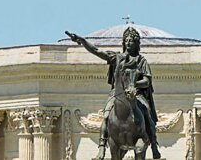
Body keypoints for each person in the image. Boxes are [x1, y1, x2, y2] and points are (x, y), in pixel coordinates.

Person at [66, 27, 161, 159]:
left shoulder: (141, 61)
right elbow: (97, 51)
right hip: (117, 94)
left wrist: (134, 85)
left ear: (136, 43)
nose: (128, 43)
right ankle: (102, 146)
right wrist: (82, 41)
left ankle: (154, 145)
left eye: (131, 41)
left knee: (146, 113)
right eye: (126, 40)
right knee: (106, 114)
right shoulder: (117, 57)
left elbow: (146, 81)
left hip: (136, 94)